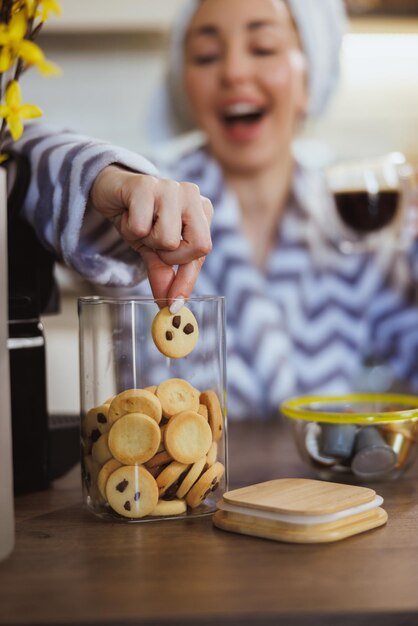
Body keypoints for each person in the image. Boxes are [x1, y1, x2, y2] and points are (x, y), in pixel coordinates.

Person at [10, 0, 418, 420]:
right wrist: (106, 179)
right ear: (185, 84)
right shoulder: (150, 202)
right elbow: (16, 155)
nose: (234, 72)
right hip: (171, 481)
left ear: (311, 77)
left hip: (323, 482)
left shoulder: (351, 222)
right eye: (206, 56)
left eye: (262, 48)